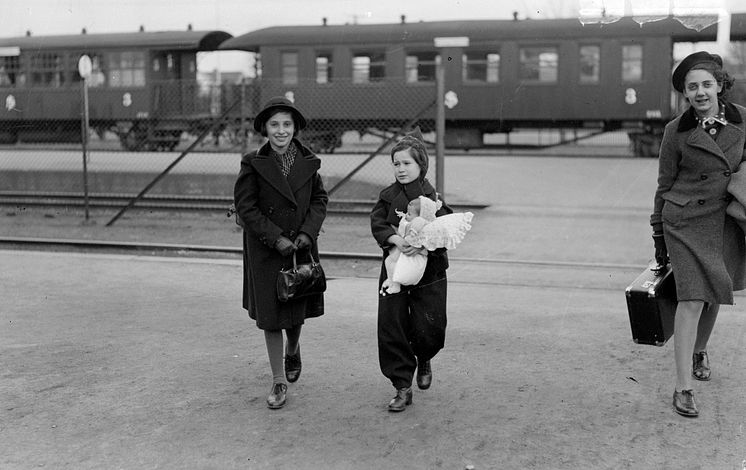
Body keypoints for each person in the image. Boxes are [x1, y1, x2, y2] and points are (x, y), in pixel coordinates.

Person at [651, 51, 746, 418]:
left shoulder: (742, 121)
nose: (701, 92)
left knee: (714, 294)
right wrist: (658, 231)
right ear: (685, 94)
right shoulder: (676, 131)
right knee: (692, 299)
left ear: (720, 86)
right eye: (693, 87)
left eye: (707, 84)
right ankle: (683, 387)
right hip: (685, 222)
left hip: (725, 219)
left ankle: (699, 349)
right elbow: (664, 184)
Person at [234, 96, 328, 410]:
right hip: (266, 250)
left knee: (296, 309)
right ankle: (278, 379)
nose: (281, 130)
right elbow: (245, 207)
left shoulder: (310, 162)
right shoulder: (252, 163)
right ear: (265, 128)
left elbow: (319, 201)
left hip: (300, 248)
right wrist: (275, 238)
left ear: (295, 128)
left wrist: (306, 233)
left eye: (287, 124)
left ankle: (294, 348)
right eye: (274, 124)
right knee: (272, 317)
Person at [370, 127, 453, 412]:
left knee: (428, 324)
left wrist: (425, 244)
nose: (401, 169)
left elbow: (446, 230)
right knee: (392, 324)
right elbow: (378, 222)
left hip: (429, 271)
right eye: (396, 164)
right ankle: (401, 385)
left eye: (407, 163)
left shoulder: (434, 198)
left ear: (421, 165)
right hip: (396, 267)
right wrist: (394, 238)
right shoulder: (387, 196)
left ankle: (425, 356)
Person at [381, 195, 473, 295]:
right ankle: (392, 281)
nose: (406, 215)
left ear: (420, 215)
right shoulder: (412, 218)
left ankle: (394, 283)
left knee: (396, 264)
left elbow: (416, 225)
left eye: (409, 214)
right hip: (407, 246)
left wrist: (413, 232)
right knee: (391, 262)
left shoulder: (419, 220)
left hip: (413, 246)